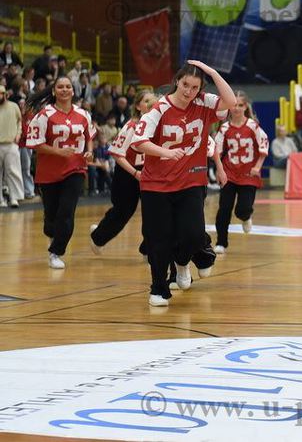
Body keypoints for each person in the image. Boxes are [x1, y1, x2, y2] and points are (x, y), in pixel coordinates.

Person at [131, 61, 235, 307]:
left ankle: (182, 262)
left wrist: (212, 72)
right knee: (159, 239)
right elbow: (138, 141)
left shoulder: (204, 103)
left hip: (191, 182)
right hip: (156, 185)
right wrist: (165, 153)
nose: (189, 91)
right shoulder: (159, 108)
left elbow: (230, 101)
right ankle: (158, 290)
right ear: (177, 81)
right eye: (185, 84)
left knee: (193, 235)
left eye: (195, 87)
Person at [26, 76, 95, 269]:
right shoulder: (44, 115)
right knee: (51, 217)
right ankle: (53, 234)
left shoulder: (83, 114)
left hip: (75, 169)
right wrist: (58, 151)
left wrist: (89, 151)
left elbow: (89, 136)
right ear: (54, 91)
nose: (64, 89)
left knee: (67, 211)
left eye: (68, 87)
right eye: (60, 87)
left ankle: (56, 252)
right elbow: (35, 144)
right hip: (48, 173)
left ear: (73, 91)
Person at [89, 90, 157, 255]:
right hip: (127, 172)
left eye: (153, 100)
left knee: (154, 212)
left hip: (149, 172)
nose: (150, 104)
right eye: (146, 101)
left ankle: (148, 249)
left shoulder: (158, 125)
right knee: (123, 211)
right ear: (138, 106)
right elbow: (117, 154)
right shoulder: (131, 126)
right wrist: (135, 173)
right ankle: (98, 237)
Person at [213, 91, 269, 254]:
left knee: (243, 209)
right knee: (224, 208)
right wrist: (220, 170)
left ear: (246, 107)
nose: (236, 108)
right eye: (234, 105)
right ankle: (221, 242)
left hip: (248, 175)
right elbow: (216, 151)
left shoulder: (253, 126)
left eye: (240, 105)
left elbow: (264, 145)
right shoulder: (224, 128)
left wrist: (257, 167)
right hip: (229, 173)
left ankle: (246, 217)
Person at [0, 84, 23, 207]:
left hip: (11, 143)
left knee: (13, 171)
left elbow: (19, 121)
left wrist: (18, 135)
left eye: (1, 94)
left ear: (6, 95)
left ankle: (14, 198)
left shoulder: (14, 106)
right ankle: (1, 200)